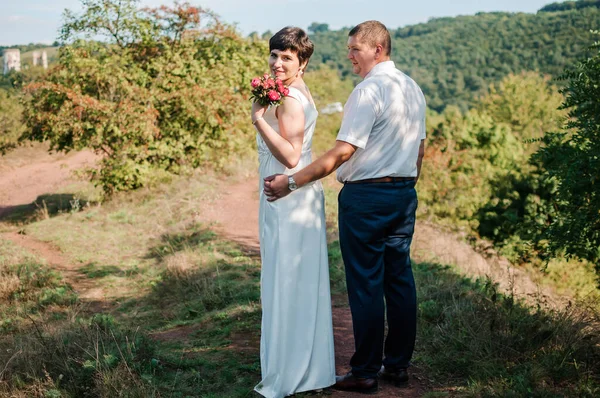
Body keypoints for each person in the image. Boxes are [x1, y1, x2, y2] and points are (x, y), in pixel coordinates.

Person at [263, 20, 426, 394]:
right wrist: (404, 185)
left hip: (367, 197)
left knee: (366, 284)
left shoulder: (369, 91)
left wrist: (292, 182)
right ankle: (397, 366)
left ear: (377, 49)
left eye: (355, 49)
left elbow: (343, 151)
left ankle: (366, 371)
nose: (349, 55)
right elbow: (419, 148)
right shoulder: (412, 88)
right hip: (403, 195)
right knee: (399, 281)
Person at [251, 27, 336, 398]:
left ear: (302, 62)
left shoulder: (289, 98)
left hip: (285, 197)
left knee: (287, 282)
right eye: (274, 55)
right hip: (296, 196)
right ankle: (308, 369)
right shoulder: (295, 91)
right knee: (298, 282)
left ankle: (290, 372)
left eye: (287, 57)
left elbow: (289, 155)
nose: (277, 63)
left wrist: (258, 118)